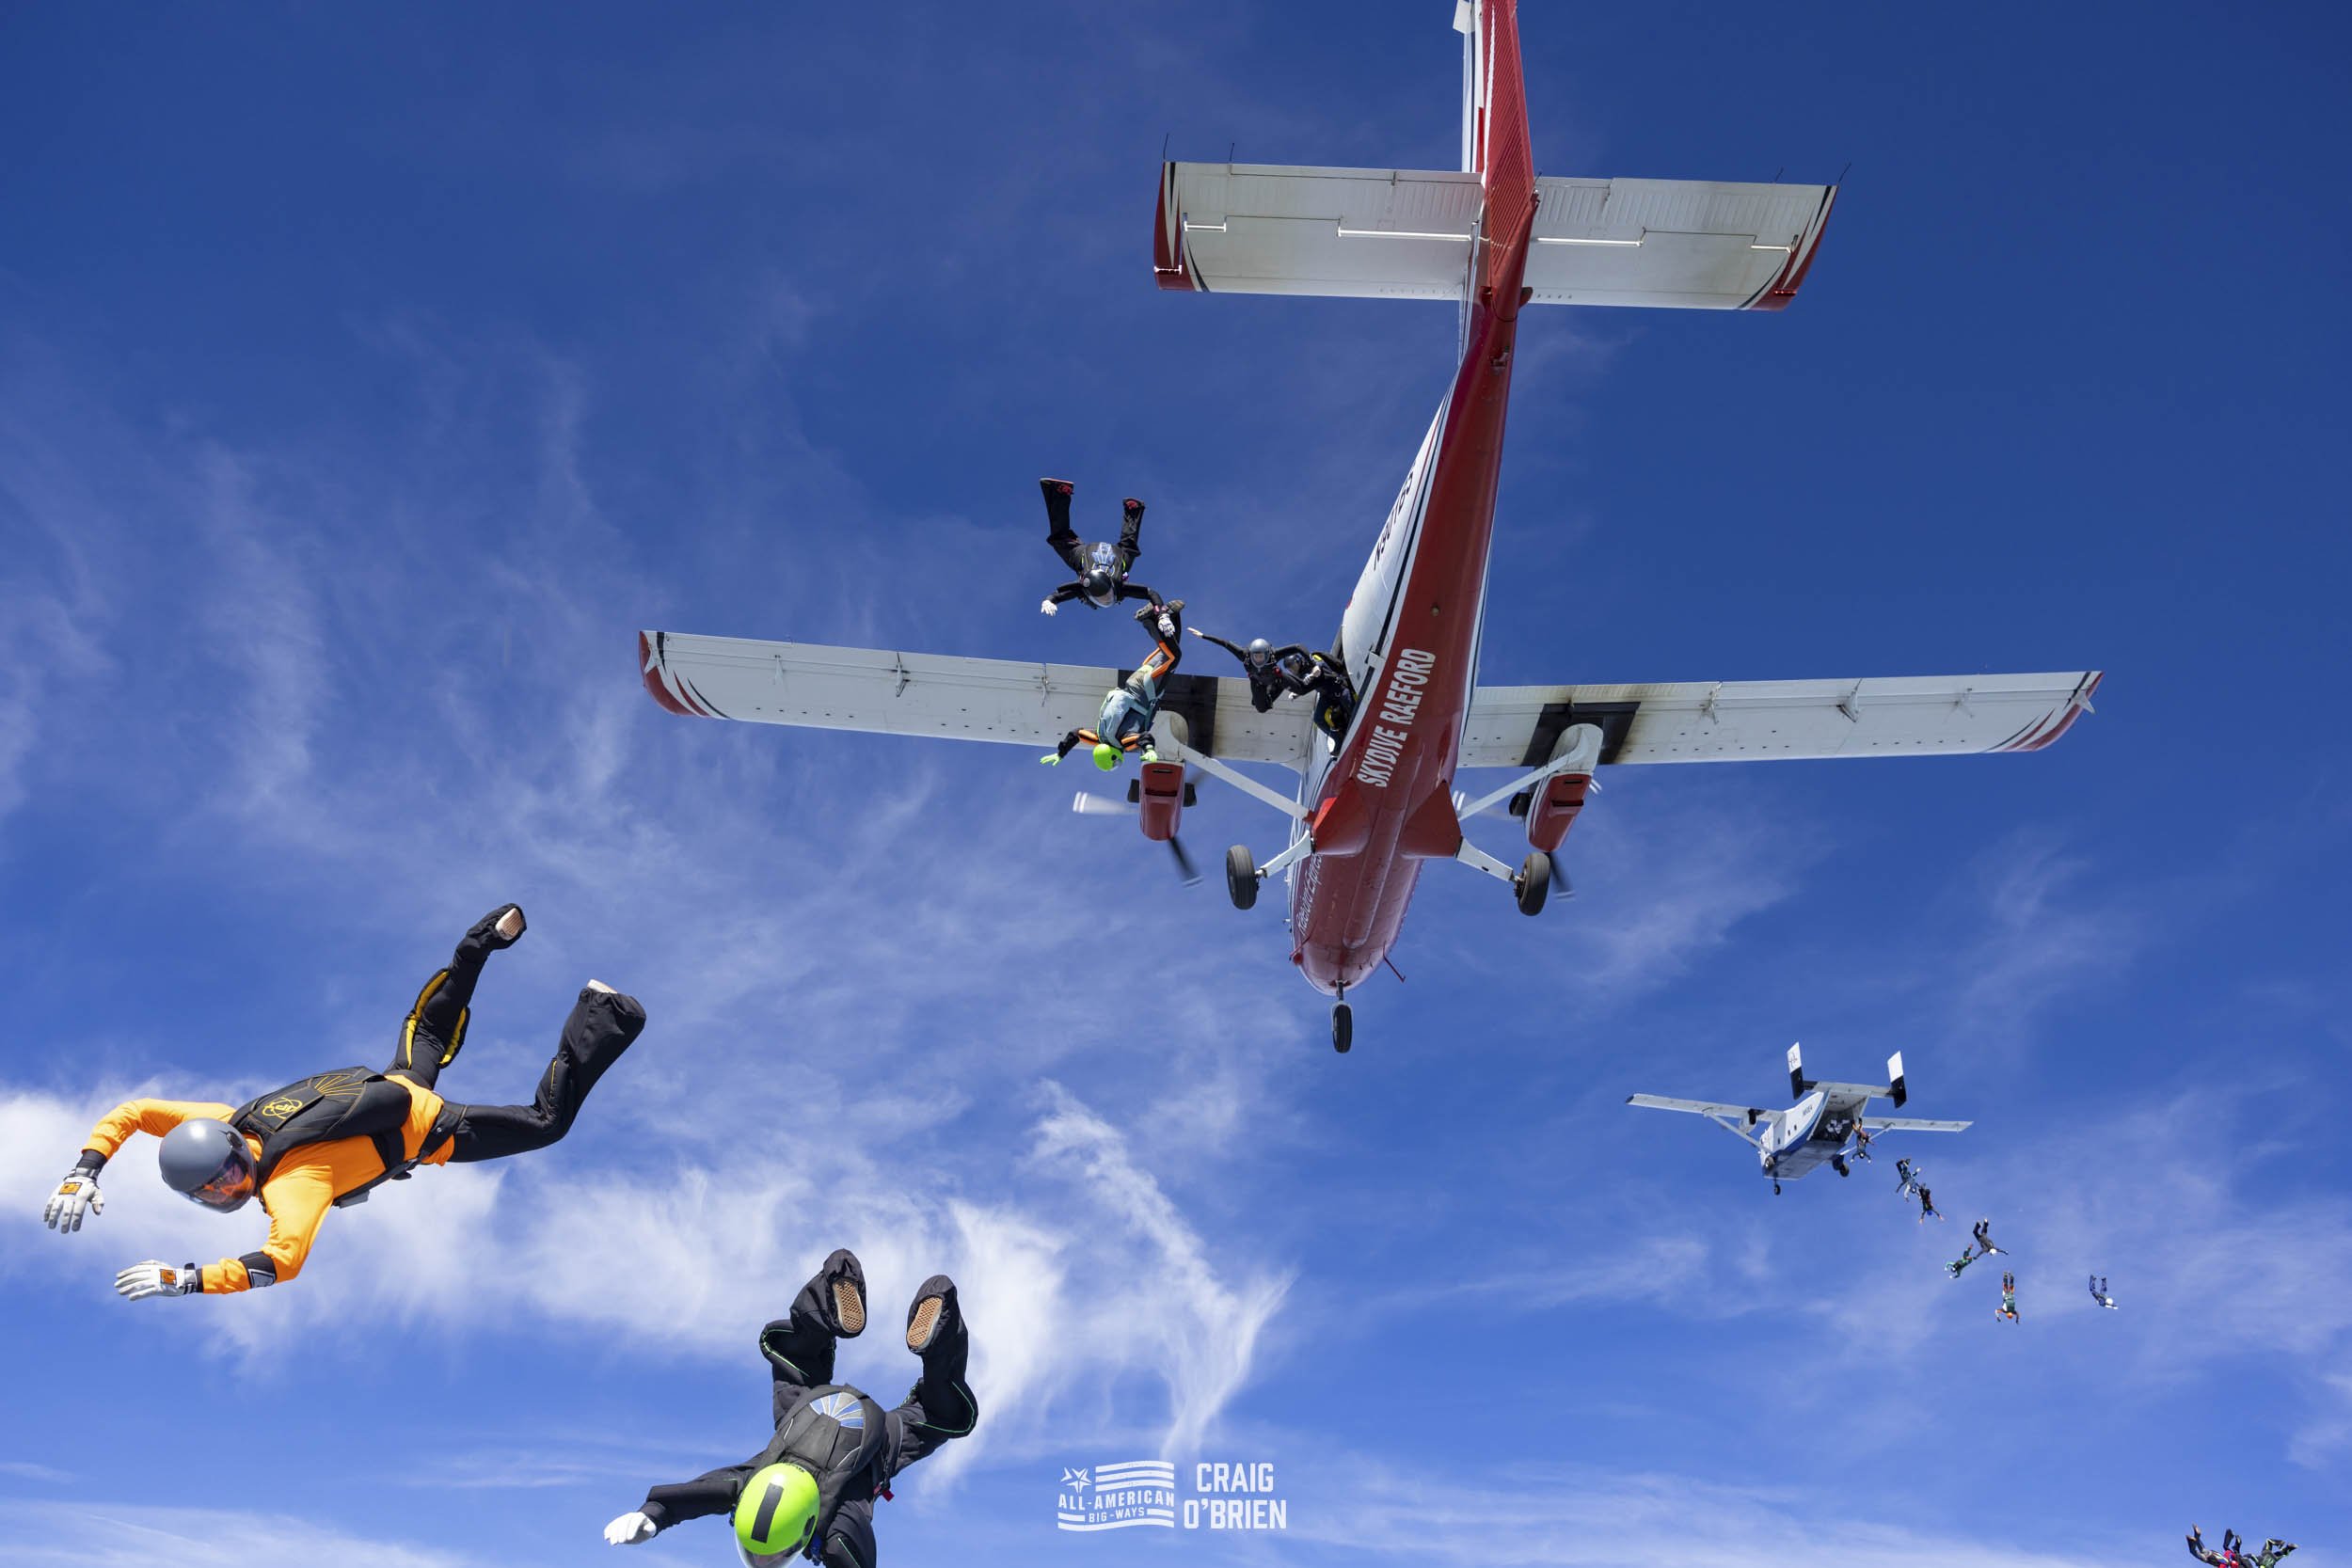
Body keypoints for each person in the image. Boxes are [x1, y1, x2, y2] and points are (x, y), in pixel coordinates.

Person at [40, 906, 646, 1299]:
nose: (231, 1187)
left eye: (226, 1175)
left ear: (229, 1151)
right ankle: (479, 942)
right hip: (394, 1084)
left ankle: (604, 1012)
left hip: (430, 1130)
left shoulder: (290, 1185)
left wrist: (188, 1279)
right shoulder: (224, 1119)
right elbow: (137, 1112)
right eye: (215, 1192)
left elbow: (280, 1262)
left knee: (546, 1123)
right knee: (430, 1032)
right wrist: (84, 1169)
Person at [603, 1249, 977, 1567]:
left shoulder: (835, 1526)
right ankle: (833, 1286)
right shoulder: (753, 1481)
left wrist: (653, 1516)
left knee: (939, 1416)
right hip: (805, 1412)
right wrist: (653, 1514)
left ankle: (938, 1321)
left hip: (876, 1439)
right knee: (796, 1359)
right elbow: (704, 1490)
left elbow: (851, 1552)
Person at [1042, 599, 1186, 771]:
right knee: (1169, 651)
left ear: (1111, 755)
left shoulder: (1123, 742)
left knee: (1174, 656)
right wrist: (1061, 753)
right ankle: (1170, 613)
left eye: (1115, 762)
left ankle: (1148, 621)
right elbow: (1075, 734)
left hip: (1147, 689)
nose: (1119, 761)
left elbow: (1143, 738)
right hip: (1134, 683)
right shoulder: (1097, 737)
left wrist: (1149, 750)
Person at [1038, 479, 1158, 613]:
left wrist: (1050, 600)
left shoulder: (1113, 588)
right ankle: (1058, 492)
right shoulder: (1087, 588)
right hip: (1088, 554)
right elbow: (1149, 593)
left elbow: (1150, 593)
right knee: (1060, 538)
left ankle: (1133, 509)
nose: (1106, 599)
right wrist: (1050, 600)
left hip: (1109, 555)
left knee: (1128, 547)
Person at [1187, 626, 1310, 713]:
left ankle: (1282, 685)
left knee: (1302, 689)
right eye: (1256, 656)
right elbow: (1225, 643)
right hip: (1258, 683)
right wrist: (1204, 636)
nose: (1259, 659)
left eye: (1261, 656)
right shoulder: (1243, 654)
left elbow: (1297, 647)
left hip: (1277, 677)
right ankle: (1270, 695)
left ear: (1267, 654)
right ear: (1251, 654)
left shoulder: (1274, 654)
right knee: (1261, 709)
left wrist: (1313, 664)